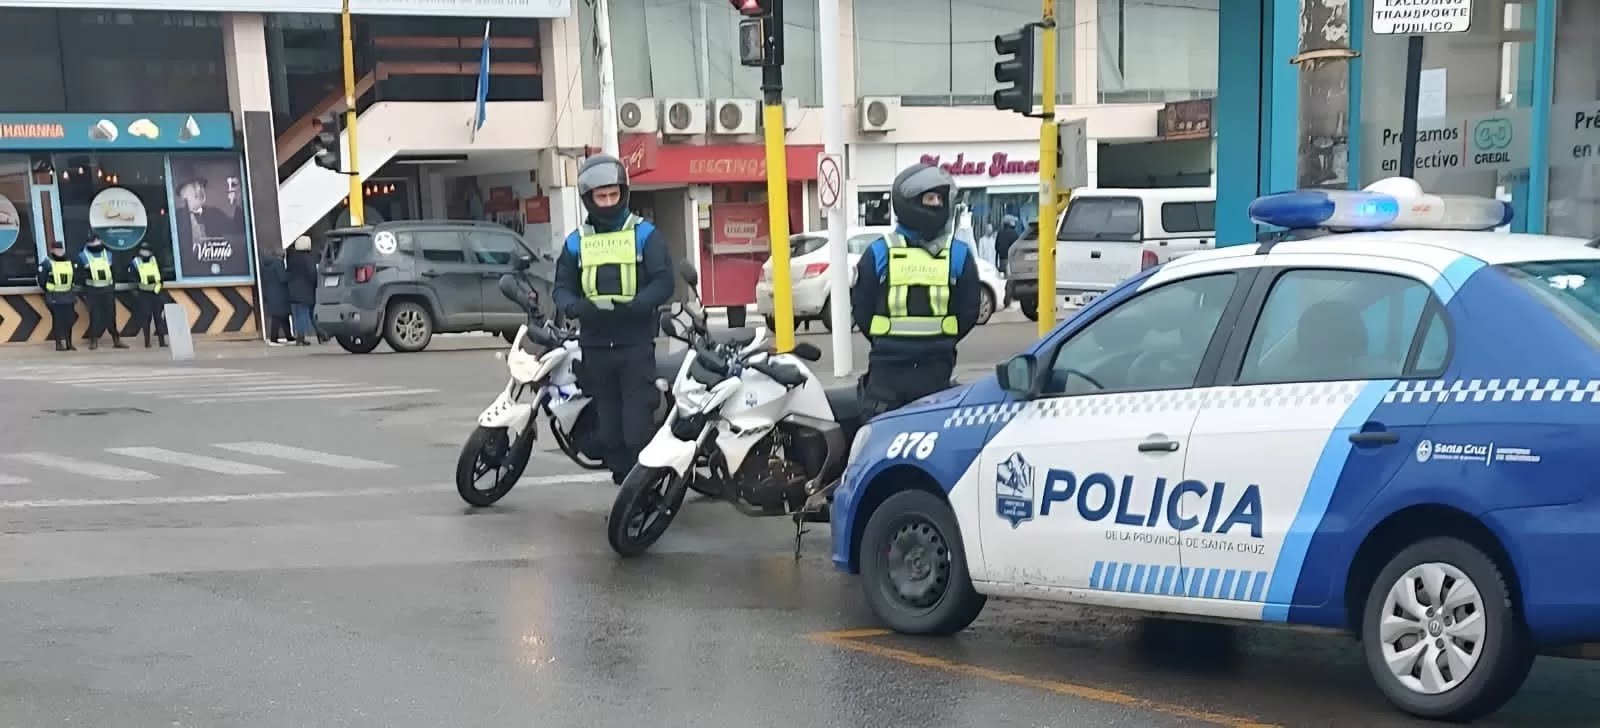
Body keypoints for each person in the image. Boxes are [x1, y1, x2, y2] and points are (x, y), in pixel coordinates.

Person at [552, 154, 673, 485]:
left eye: (612, 195)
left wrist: (636, 306)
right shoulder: (576, 241)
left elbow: (664, 282)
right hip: (594, 344)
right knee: (608, 430)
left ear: (624, 193)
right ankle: (625, 488)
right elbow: (561, 286)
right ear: (588, 199)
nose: (607, 203)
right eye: (600, 197)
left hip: (634, 343)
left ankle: (644, 488)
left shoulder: (645, 235)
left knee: (636, 427)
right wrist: (574, 307)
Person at [850, 162, 982, 419]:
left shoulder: (958, 255)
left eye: (940, 199)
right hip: (887, 378)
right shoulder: (880, 252)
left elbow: (969, 310)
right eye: (930, 198)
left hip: (935, 374)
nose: (937, 204)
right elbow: (861, 308)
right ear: (908, 201)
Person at [77, 234, 126, 350]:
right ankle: (93, 340)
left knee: (111, 316)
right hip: (92, 291)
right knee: (95, 317)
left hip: (107, 291)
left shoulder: (108, 255)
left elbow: (114, 271)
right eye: (93, 242)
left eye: (97, 241)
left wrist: (111, 286)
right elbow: (79, 275)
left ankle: (116, 339)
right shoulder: (83, 256)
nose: (96, 244)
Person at [36, 241, 78, 352]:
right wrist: (49, 290)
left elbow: (75, 276)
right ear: (52, 250)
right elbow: (41, 279)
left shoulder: (69, 261)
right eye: (57, 249)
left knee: (69, 319)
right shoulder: (47, 263)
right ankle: (59, 343)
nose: (59, 251)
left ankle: (69, 343)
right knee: (58, 320)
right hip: (54, 297)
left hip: (68, 296)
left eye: (61, 249)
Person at [128, 242, 168, 348]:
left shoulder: (155, 260)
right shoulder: (135, 262)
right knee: (146, 317)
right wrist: (136, 290)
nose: (145, 252)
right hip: (143, 293)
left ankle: (162, 342)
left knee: (158, 318)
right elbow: (131, 277)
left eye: (147, 250)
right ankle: (147, 342)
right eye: (143, 250)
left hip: (156, 292)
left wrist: (158, 289)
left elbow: (162, 275)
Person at [285, 235, 320, 346]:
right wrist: (316, 283)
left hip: (293, 289)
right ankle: (301, 337)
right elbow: (312, 273)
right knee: (305, 314)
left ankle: (306, 335)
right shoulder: (308, 258)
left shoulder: (292, 258)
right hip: (306, 289)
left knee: (299, 313)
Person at [261, 246, 292, 345]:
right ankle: (273, 338)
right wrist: (290, 275)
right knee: (279, 316)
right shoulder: (278, 263)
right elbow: (283, 278)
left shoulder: (266, 264)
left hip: (271, 292)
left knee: (282, 316)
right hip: (279, 292)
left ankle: (289, 336)